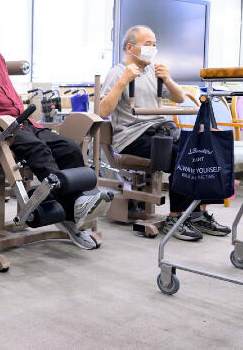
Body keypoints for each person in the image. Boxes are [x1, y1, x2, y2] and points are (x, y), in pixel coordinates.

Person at [0, 13, 110, 250]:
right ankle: (72, 211)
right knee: (38, 149)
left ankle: (75, 209)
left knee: (68, 147)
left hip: (22, 122)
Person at [99, 25, 231, 241]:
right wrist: (124, 80)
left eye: (155, 44)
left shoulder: (155, 70)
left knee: (203, 151)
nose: (153, 48)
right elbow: (103, 111)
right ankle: (175, 218)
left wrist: (168, 79)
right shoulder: (117, 73)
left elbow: (179, 98)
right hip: (133, 137)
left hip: (162, 131)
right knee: (182, 158)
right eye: (147, 44)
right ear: (131, 47)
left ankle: (198, 215)